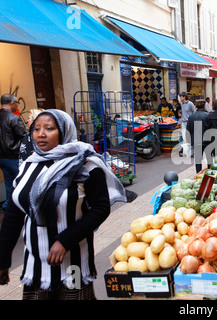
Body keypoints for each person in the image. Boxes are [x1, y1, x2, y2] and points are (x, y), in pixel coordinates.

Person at [0, 109, 132, 300]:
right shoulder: (29, 165)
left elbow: (100, 208)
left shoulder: (85, 163)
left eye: (49, 128)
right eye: (36, 129)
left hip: (74, 261)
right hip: (37, 264)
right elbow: (14, 214)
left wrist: (65, 240)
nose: (41, 134)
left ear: (64, 130)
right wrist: (3, 259)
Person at [0, 94, 27, 211]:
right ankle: (17, 207)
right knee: (22, 181)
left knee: (9, 182)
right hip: (13, 156)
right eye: (17, 102)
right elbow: (25, 136)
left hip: (1, 157)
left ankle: (8, 205)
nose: (17, 105)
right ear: (12, 103)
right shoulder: (13, 118)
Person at [186, 101, 209, 173]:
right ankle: (209, 173)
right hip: (207, 140)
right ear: (204, 106)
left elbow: (188, 129)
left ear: (196, 107)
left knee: (198, 160)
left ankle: (198, 174)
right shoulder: (207, 115)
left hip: (196, 140)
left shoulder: (191, 117)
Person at [179, 92, 196, 156]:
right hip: (183, 122)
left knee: (190, 137)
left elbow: (194, 112)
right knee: (184, 137)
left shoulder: (190, 104)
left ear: (184, 97)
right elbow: (183, 113)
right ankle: (187, 151)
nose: (180, 98)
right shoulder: (182, 104)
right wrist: (181, 120)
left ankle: (192, 151)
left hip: (190, 122)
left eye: (181, 96)